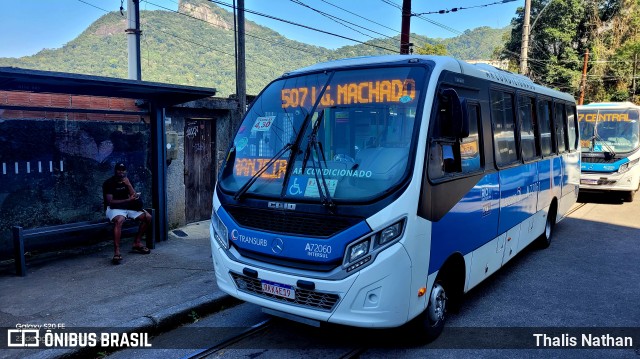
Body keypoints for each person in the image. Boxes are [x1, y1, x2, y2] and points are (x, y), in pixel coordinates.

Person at [102, 162, 152, 264]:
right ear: (115, 171)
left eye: (123, 170)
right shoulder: (109, 183)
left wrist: (128, 184)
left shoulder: (128, 181)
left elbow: (135, 197)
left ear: (126, 171)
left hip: (128, 207)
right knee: (119, 220)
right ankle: (117, 251)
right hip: (113, 208)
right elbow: (110, 202)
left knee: (148, 217)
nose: (121, 172)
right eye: (119, 170)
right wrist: (128, 200)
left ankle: (137, 243)